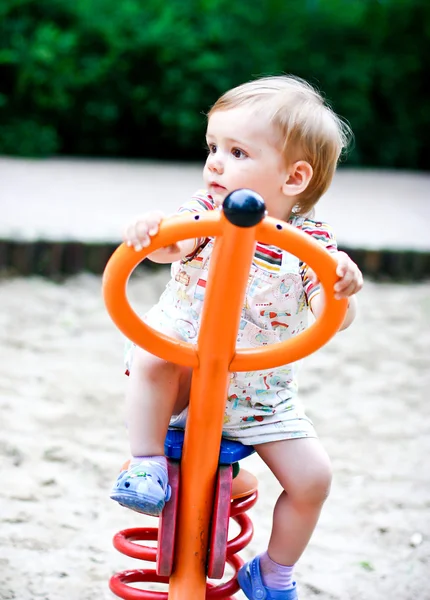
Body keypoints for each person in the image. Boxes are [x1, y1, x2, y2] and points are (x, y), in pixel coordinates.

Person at [110, 75, 363, 600]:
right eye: (213, 147)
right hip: (183, 378)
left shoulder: (313, 247)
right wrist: (148, 230)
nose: (214, 163)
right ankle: (147, 462)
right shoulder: (204, 214)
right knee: (154, 356)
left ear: (294, 178)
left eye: (237, 151)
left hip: (259, 393)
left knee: (313, 478)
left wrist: (342, 286)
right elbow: (165, 248)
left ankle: (272, 571)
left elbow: (333, 316)